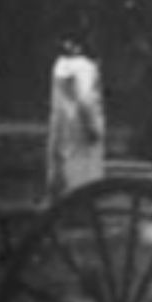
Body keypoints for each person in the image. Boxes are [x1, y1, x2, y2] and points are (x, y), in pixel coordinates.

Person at [45, 38, 106, 204]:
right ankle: (80, 206)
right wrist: (91, 126)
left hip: (62, 121)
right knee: (82, 169)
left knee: (62, 164)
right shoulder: (85, 67)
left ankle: (59, 200)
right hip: (80, 125)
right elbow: (85, 99)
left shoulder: (60, 64)